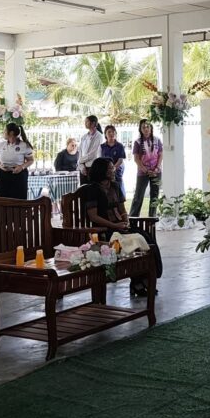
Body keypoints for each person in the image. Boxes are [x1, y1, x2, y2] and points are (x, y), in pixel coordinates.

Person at [74, 157, 162, 297]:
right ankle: (139, 282)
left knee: (147, 238)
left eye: (113, 168)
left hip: (120, 226)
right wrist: (115, 225)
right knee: (137, 241)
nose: (113, 170)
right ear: (102, 171)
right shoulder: (92, 189)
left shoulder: (115, 186)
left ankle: (143, 279)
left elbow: (122, 209)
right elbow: (94, 216)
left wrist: (125, 221)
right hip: (105, 231)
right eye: (110, 168)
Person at [0, 123, 33, 200]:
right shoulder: (1, 145)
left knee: (19, 200)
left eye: (5, 131)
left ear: (11, 133)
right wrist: (0, 166)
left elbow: (30, 160)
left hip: (18, 176)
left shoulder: (24, 145)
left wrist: (21, 167)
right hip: (2, 176)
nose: (3, 132)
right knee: (2, 201)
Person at [131, 119, 163, 219]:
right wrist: (145, 170)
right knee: (138, 196)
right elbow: (136, 159)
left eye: (147, 127)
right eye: (143, 127)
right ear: (140, 129)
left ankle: (152, 218)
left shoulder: (157, 140)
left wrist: (157, 168)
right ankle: (133, 218)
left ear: (151, 128)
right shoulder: (137, 142)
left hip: (156, 172)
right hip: (143, 172)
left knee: (154, 196)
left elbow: (161, 155)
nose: (146, 129)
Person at [100, 125, 127, 197]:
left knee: (119, 189)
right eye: (109, 132)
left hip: (117, 171)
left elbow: (120, 160)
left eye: (113, 132)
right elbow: (100, 159)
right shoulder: (102, 147)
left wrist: (113, 168)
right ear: (105, 134)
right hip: (106, 172)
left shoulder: (120, 146)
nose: (111, 133)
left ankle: (121, 201)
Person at [77, 115, 105, 183]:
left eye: (87, 121)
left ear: (93, 123)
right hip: (83, 168)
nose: (85, 123)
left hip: (92, 167)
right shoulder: (84, 137)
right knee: (83, 188)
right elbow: (80, 151)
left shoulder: (99, 136)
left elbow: (93, 153)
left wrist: (80, 160)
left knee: (92, 187)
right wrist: (81, 165)